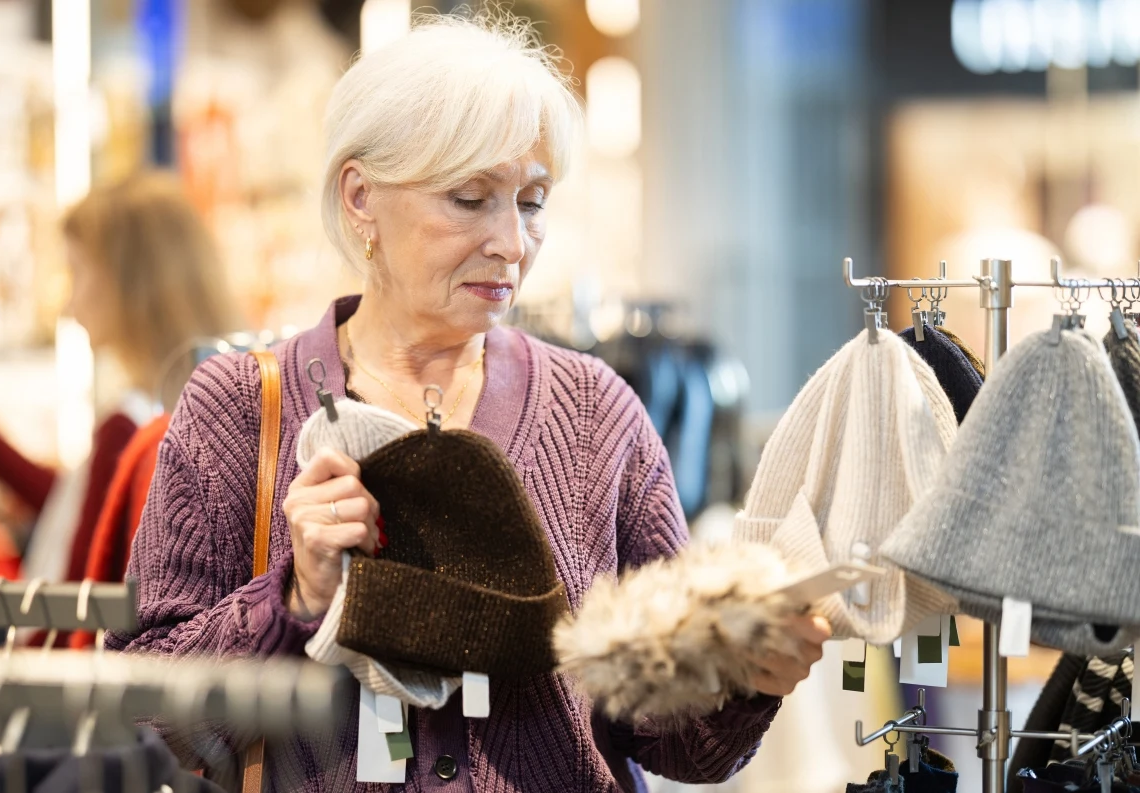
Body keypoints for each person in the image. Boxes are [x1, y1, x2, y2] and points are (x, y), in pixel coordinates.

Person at [109, 11, 829, 791]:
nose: (513, 243)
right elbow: (145, 713)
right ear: (360, 197)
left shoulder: (596, 414)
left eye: (531, 200)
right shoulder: (242, 408)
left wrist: (753, 671)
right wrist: (296, 595)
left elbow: (681, 742)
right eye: (470, 197)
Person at [0, 172, 241, 587]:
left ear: (130, 284)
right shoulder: (213, 412)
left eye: (78, 273)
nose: (69, 303)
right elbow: (72, 509)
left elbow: (76, 603)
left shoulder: (129, 430)